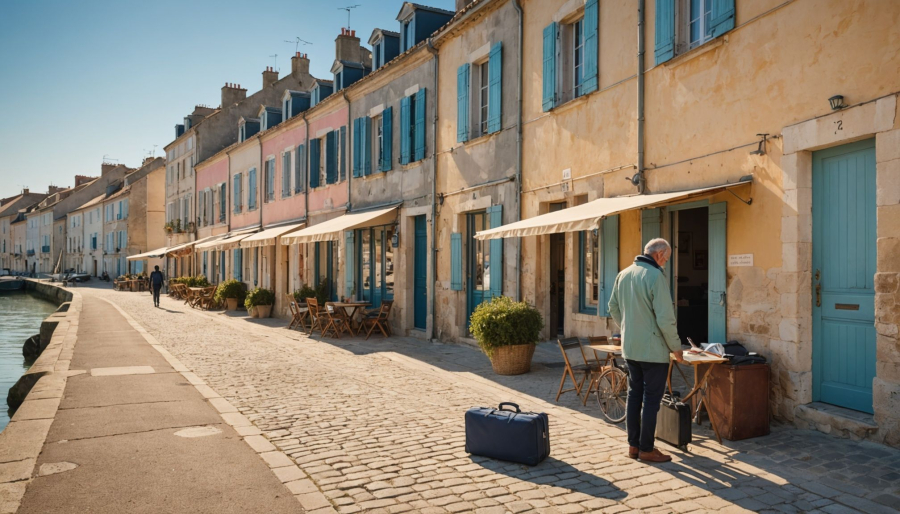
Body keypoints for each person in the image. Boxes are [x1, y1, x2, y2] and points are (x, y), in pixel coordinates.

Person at [608, 238, 684, 463]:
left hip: (631, 347)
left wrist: (628, 327)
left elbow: (612, 306)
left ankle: (633, 446)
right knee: (652, 400)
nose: (665, 263)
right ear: (659, 255)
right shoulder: (655, 276)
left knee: (634, 396)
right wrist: (676, 347)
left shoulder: (623, 274)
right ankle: (647, 449)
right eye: (666, 259)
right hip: (653, 350)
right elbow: (665, 318)